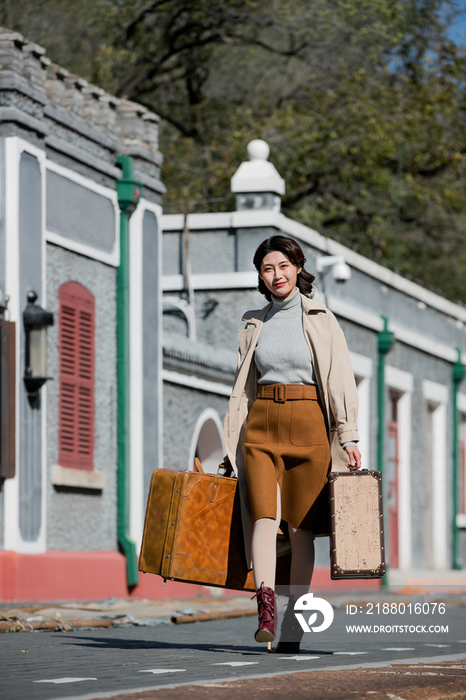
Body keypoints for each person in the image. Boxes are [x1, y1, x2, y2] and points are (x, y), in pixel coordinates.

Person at [223, 235, 361, 653]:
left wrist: (348, 434)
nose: (276, 275)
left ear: (298, 267)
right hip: (261, 425)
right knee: (263, 517)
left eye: (283, 266)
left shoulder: (321, 318)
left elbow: (339, 378)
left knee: (301, 531)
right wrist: (234, 443)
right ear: (261, 276)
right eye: (268, 268)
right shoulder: (254, 322)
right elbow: (243, 388)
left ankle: (296, 614)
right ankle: (266, 607)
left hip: (309, 428)